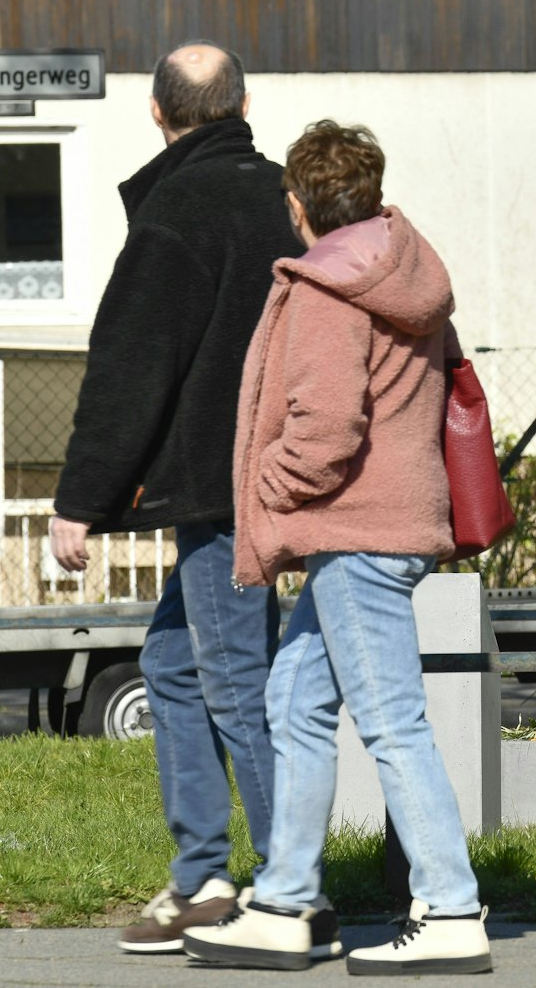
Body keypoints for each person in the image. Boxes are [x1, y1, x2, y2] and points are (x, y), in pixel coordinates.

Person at [48, 42, 337, 958]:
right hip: (282, 475)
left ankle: (292, 892)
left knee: (236, 679)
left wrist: (79, 499)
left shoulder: (176, 211)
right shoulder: (285, 198)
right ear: (244, 103)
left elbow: (131, 365)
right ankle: (204, 877)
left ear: (156, 111)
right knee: (172, 663)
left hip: (221, 494)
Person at [182, 121, 491, 975]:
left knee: (392, 724)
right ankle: (285, 900)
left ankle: (451, 905)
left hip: (354, 532)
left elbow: (324, 430)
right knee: (294, 702)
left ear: (297, 205)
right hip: (390, 525)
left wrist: (269, 485)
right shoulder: (405, 270)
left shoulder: (325, 289)